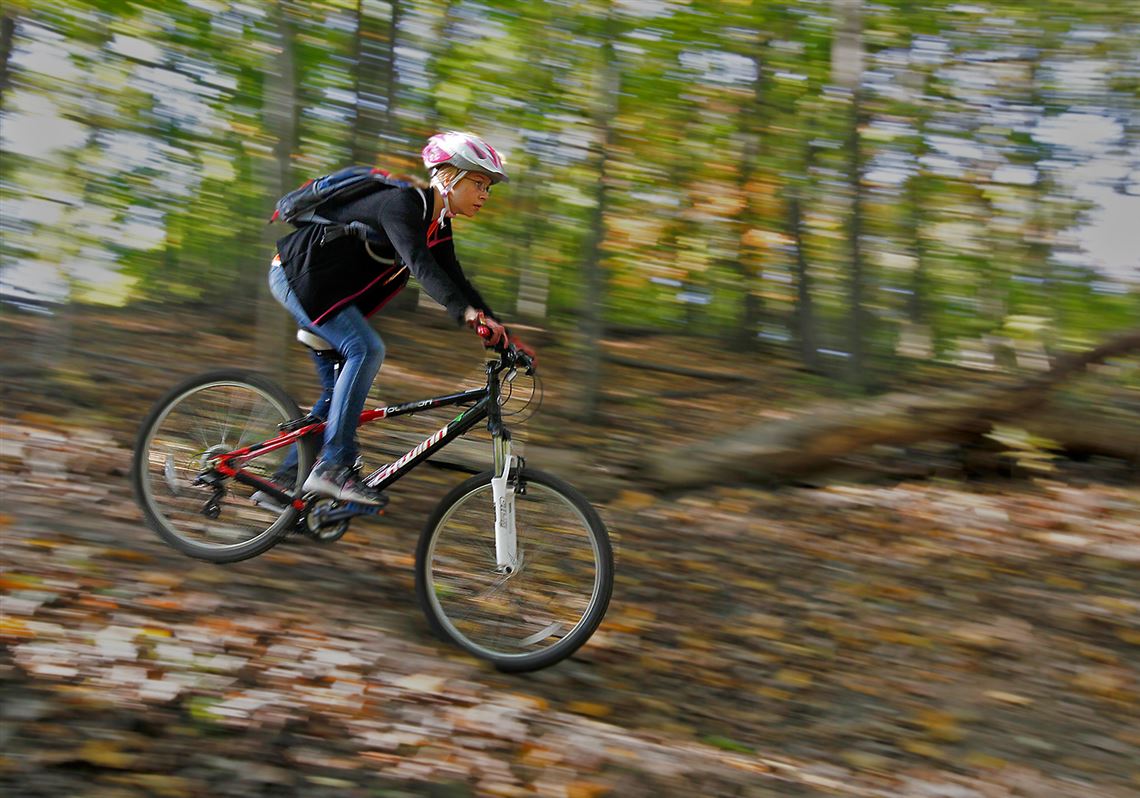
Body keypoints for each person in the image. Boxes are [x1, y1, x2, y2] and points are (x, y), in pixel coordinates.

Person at [267, 131, 534, 506]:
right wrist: (469, 315)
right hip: (298, 276)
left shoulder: (437, 225)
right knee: (365, 349)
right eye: (478, 183)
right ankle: (332, 468)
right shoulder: (403, 205)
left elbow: (456, 279)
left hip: (324, 290)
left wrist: (505, 335)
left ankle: (284, 484)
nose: (485, 194)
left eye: (487, 187)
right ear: (448, 176)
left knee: (338, 393)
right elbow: (420, 265)